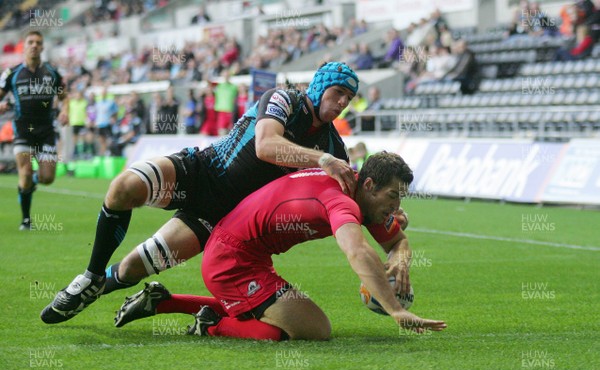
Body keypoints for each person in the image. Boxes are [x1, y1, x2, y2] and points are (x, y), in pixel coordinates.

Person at [40, 62, 364, 325]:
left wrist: (391, 224)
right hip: (200, 172)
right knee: (124, 187)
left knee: (131, 269)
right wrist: (322, 160)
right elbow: (266, 146)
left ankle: (100, 286)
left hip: (221, 217)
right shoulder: (284, 99)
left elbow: (346, 193)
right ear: (319, 85)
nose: (341, 103)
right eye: (338, 93)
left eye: (348, 99)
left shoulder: (333, 145)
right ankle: (91, 275)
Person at [114, 153, 446, 340]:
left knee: (302, 322)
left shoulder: (362, 193)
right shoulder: (340, 200)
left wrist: (400, 261)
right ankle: (209, 322)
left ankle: (161, 301)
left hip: (249, 255)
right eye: (392, 197)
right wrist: (396, 310)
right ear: (370, 185)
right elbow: (358, 252)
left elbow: (398, 239)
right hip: (230, 258)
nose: (396, 207)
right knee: (308, 331)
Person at [0, 31, 68, 230]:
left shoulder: (52, 73)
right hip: (23, 129)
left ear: (43, 47)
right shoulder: (11, 74)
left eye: (38, 42)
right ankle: (26, 220)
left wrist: (64, 111)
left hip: (46, 130)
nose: (34, 45)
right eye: (30, 42)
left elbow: (64, 97)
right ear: (24, 46)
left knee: (47, 178)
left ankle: (33, 182)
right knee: (26, 171)